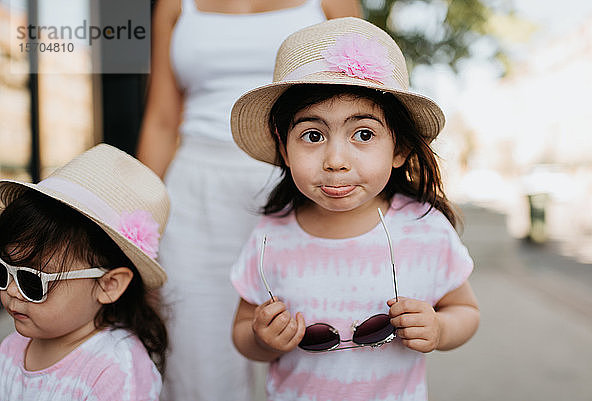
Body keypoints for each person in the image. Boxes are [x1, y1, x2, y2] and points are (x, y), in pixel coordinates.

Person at [229, 17, 480, 400]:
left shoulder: (423, 227)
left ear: (399, 149)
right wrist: (263, 338)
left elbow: (465, 310)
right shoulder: (271, 234)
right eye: (312, 136)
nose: (335, 160)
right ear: (284, 149)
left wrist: (440, 329)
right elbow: (243, 329)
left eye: (363, 134)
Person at [136, 1, 362, 399]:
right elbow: (160, 121)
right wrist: (138, 232)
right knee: (197, 368)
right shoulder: (174, 5)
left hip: (303, 187)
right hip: (195, 193)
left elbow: (365, 102)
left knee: (320, 354)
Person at [0, 144, 169, 400]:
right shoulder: (13, 346)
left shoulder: (116, 369)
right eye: (5, 271)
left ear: (108, 285)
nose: (11, 289)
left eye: (33, 281)